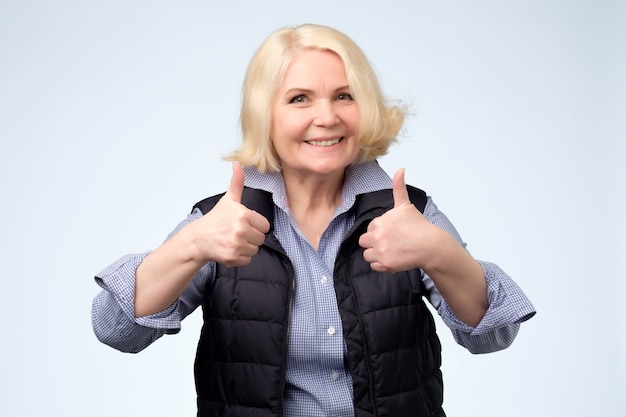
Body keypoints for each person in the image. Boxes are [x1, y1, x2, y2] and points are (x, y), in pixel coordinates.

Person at [92, 23, 535, 417]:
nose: (327, 117)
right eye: (300, 99)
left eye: (344, 96)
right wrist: (191, 246)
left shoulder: (409, 214)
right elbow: (117, 330)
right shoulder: (223, 221)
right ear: (266, 116)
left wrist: (440, 253)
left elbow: (493, 335)